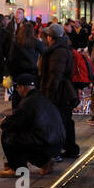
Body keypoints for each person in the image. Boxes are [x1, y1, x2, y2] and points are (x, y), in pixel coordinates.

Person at [0, 73, 63, 178]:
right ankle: (45, 163)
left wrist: (4, 122)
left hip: (45, 144)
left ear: (22, 87)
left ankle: (17, 169)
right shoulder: (42, 98)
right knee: (25, 136)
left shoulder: (28, 102)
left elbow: (12, 123)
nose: (17, 91)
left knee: (8, 135)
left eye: (17, 88)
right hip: (56, 143)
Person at [38, 23, 80, 160]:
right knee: (65, 120)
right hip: (60, 91)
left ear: (51, 37)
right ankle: (70, 148)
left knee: (61, 121)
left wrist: (49, 93)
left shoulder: (58, 51)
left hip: (59, 93)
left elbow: (55, 74)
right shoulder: (62, 48)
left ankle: (65, 148)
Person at [8, 22, 41, 110]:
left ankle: (17, 111)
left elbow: (11, 59)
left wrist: (10, 74)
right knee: (31, 93)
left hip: (18, 72)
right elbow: (45, 52)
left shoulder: (16, 43)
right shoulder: (35, 42)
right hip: (32, 72)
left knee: (17, 94)